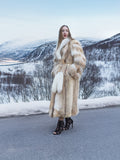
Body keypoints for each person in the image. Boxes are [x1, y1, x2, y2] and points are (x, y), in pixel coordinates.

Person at [49, 25, 86, 135]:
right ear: (60, 33)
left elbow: (81, 61)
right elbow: (56, 62)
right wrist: (56, 70)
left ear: (69, 32)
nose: (64, 32)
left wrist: (71, 70)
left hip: (69, 76)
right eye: (62, 31)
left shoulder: (73, 43)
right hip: (60, 75)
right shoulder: (59, 45)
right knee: (63, 98)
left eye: (66, 30)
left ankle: (60, 124)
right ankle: (68, 119)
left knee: (62, 99)